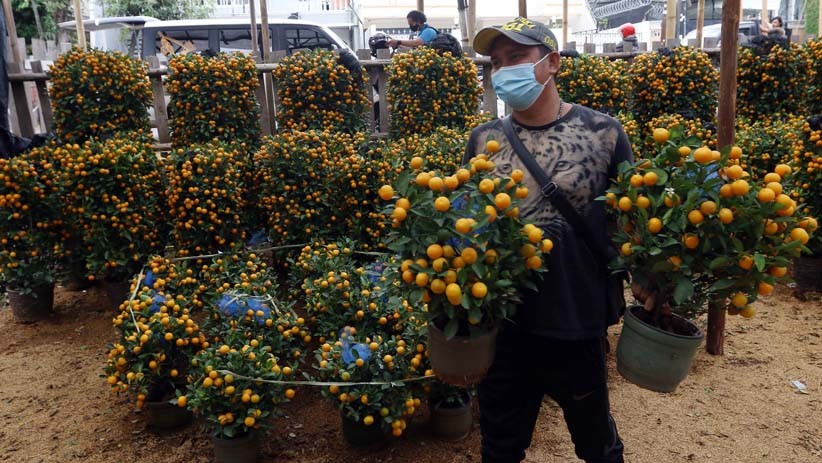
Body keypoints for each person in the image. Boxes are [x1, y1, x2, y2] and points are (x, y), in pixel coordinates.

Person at [464, 17, 631, 463]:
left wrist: (654, 282)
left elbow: (634, 221)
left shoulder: (604, 134)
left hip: (575, 321)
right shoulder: (483, 141)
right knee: (500, 447)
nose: (503, 70)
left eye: (516, 57)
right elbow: (465, 227)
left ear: (551, 62)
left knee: (597, 444)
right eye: (496, 62)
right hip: (504, 327)